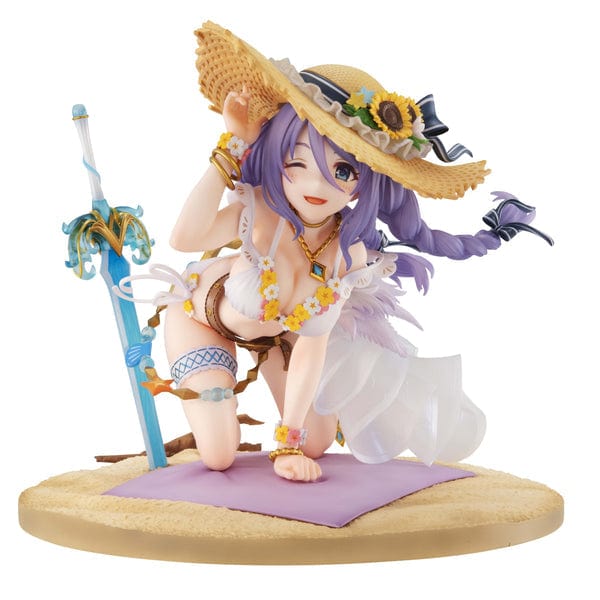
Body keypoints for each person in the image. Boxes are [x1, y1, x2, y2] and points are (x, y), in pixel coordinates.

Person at [116, 22, 551, 482]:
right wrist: (231, 148)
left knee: (316, 442)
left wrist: (289, 444)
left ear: (366, 181)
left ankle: (281, 431)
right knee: (219, 455)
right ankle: (216, 414)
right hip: (200, 319)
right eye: (297, 160)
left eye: (342, 171)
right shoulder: (260, 211)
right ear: (276, 153)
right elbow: (185, 238)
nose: (316, 185)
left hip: (277, 340)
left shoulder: (348, 256)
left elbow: (311, 347)